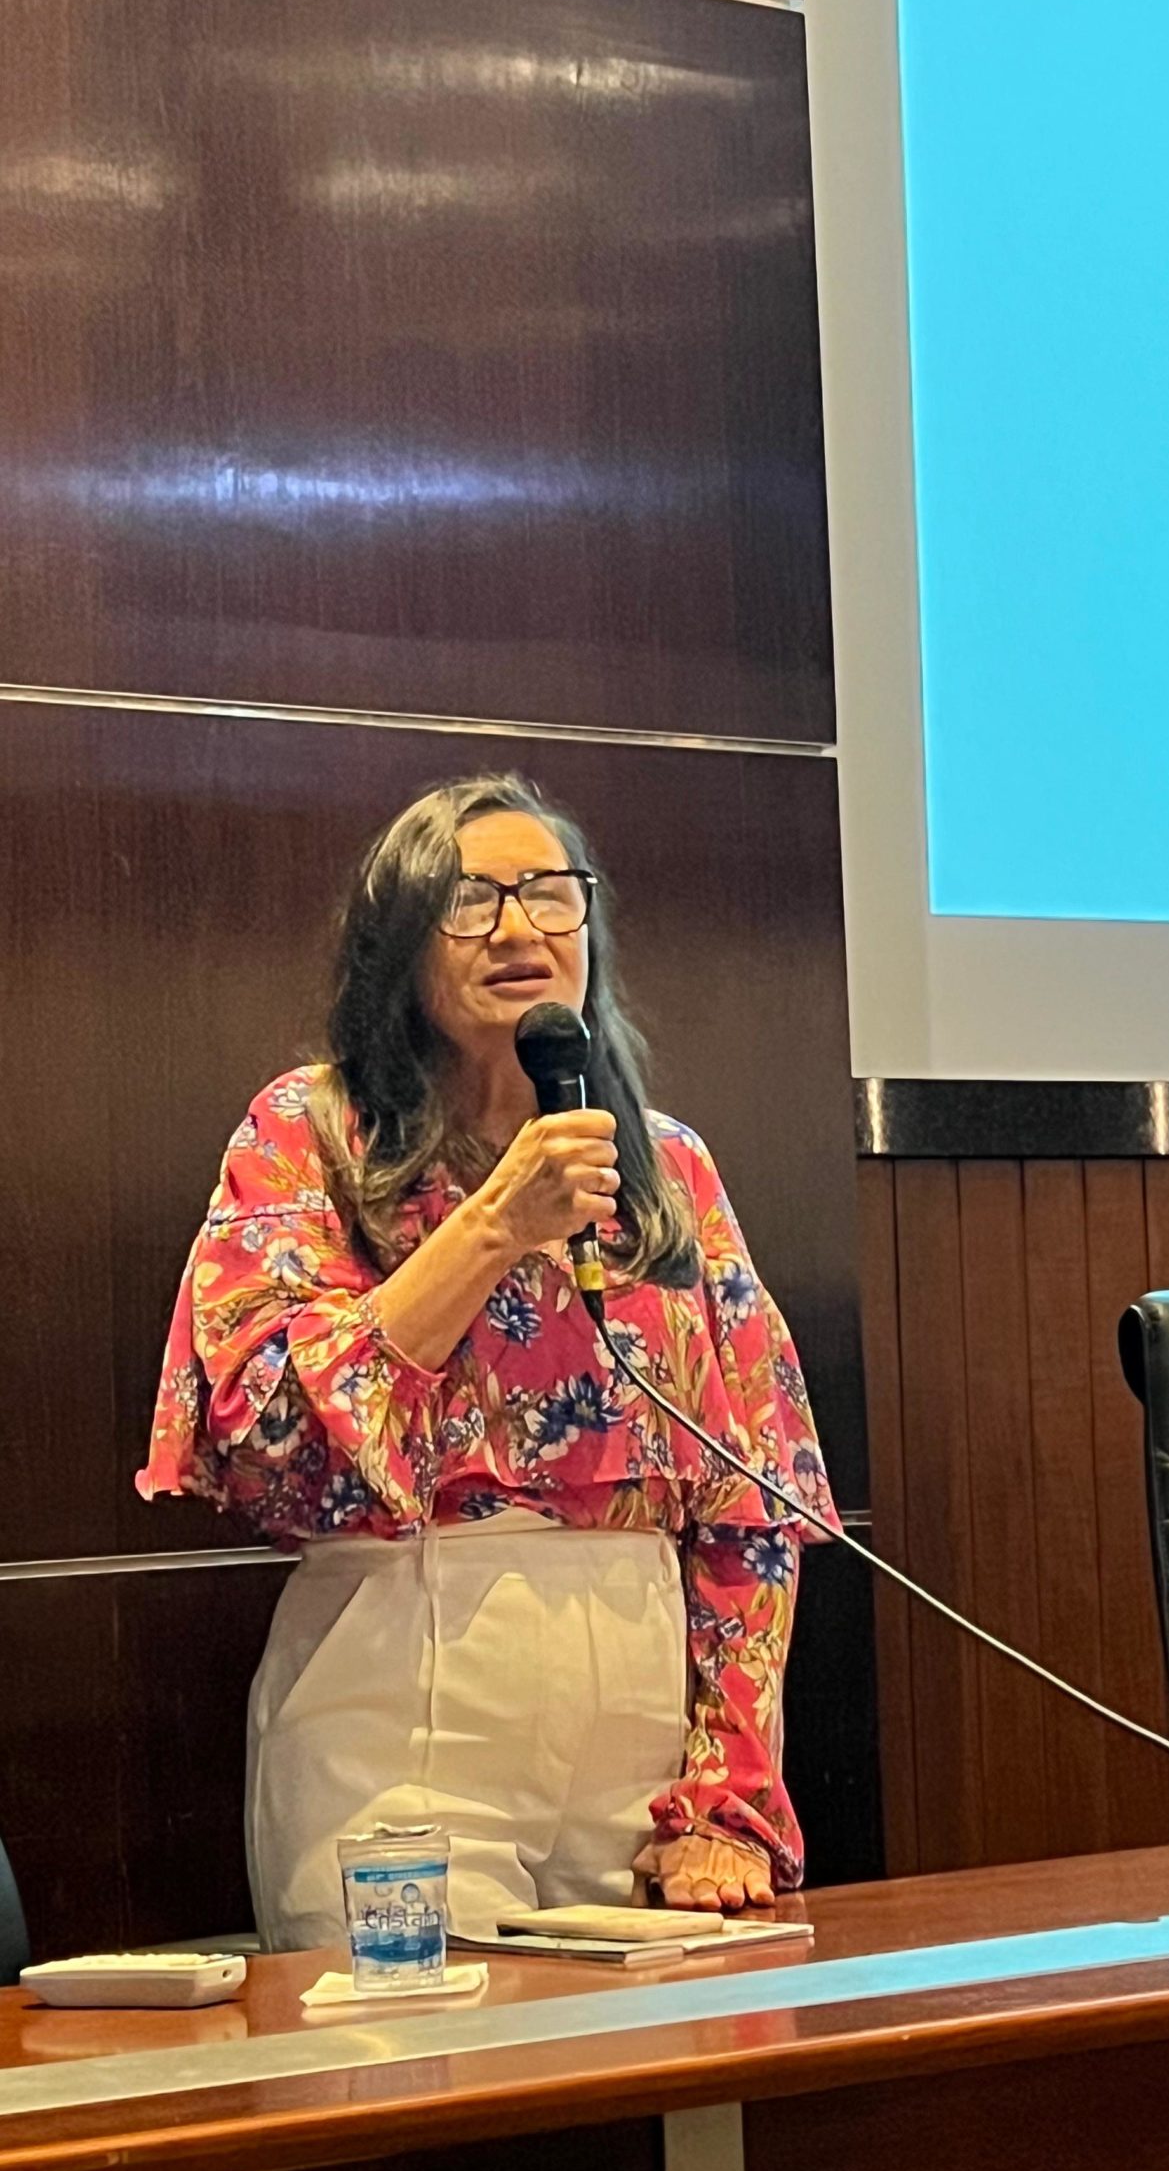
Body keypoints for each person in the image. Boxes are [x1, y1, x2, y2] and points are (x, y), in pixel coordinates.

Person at [140, 773, 834, 1946]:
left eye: (552, 895)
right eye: (473, 901)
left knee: (661, 2110)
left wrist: (728, 1793)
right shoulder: (307, 1133)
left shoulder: (669, 1169)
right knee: (424, 2083)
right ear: (399, 944)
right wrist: (492, 1226)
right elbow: (271, 1445)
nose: (521, 929)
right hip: (405, 1713)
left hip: (639, 1726)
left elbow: (754, 1500)